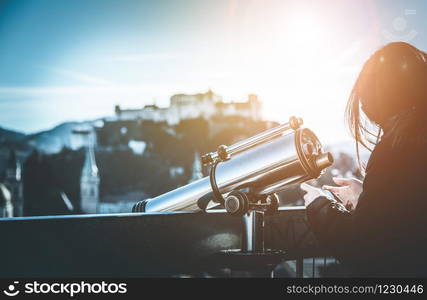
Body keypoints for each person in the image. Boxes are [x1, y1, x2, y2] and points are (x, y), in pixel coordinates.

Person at [301, 42, 427, 277]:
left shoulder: (398, 148)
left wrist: (318, 205)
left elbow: (366, 247)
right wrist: (366, 197)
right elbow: (408, 213)